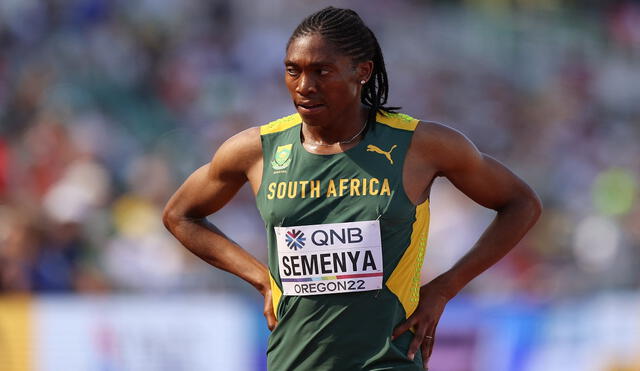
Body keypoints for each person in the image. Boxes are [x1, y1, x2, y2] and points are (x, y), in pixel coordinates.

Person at [163, 6, 542, 371]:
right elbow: (180, 215)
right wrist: (261, 278)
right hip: (293, 361)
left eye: (322, 71)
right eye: (293, 71)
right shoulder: (256, 150)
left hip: (388, 361)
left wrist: (445, 288)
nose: (304, 86)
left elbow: (521, 203)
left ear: (362, 71)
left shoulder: (420, 145)